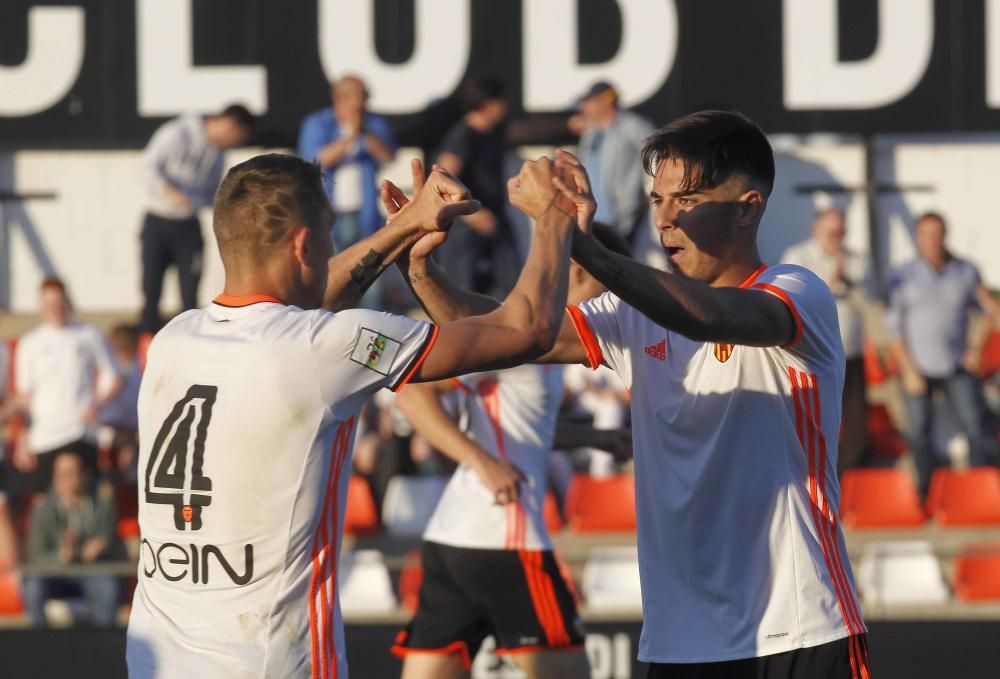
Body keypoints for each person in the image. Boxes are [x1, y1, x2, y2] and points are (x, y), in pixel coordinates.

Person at [399, 111, 870, 679]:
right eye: (657, 201)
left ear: (748, 207)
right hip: (678, 643)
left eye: (688, 200)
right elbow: (501, 334)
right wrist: (420, 268)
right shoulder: (634, 313)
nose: (666, 219)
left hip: (797, 631)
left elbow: (710, 317)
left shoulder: (798, 291)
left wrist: (576, 240)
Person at [125, 151, 579, 678]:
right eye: (329, 235)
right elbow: (526, 331)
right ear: (304, 245)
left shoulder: (173, 339)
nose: (334, 248)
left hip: (154, 662)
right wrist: (554, 215)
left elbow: (301, 308)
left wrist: (406, 226)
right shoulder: (325, 348)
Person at [391, 223, 632, 679]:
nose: (615, 301)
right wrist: (481, 461)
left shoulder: (546, 349)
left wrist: (593, 439)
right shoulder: (520, 339)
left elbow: (524, 427)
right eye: (611, 281)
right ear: (577, 271)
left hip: (453, 538)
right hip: (505, 535)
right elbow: (412, 395)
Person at [885, 212, 1000, 498]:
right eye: (927, 235)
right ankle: (928, 495)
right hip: (917, 368)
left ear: (945, 236)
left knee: (975, 427)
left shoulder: (965, 271)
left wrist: (975, 349)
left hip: (955, 365)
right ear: (917, 239)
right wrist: (909, 370)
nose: (933, 241)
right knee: (919, 434)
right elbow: (893, 329)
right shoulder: (903, 275)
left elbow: (990, 311)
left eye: (938, 234)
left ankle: (980, 493)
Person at [139, 103, 255, 333]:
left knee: (190, 292)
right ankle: (146, 347)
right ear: (229, 126)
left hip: (189, 226)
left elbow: (213, 195)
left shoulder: (218, 154)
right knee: (151, 291)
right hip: (158, 221)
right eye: (235, 138)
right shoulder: (177, 133)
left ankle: (188, 340)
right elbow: (148, 168)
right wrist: (171, 193)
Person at [782, 208, 872, 472]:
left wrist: (847, 278)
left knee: (855, 421)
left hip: (850, 350)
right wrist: (832, 283)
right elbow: (793, 299)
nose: (837, 238)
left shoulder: (857, 259)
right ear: (816, 230)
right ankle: (812, 470)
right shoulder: (797, 257)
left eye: (841, 232)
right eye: (832, 232)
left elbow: (869, 301)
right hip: (810, 352)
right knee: (813, 417)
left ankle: (848, 476)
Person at [13, 279, 122, 492]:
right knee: (50, 502)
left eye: (59, 302)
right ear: (40, 306)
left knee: (86, 495)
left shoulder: (89, 334)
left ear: (68, 302)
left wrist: (96, 406)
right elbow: (24, 396)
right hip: (45, 436)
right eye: (48, 303)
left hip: (81, 432)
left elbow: (114, 377)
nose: (54, 309)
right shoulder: (30, 343)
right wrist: (21, 439)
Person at [297, 74, 397, 252]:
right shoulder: (318, 123)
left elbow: (387, 156)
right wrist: (350, 137)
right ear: (340, 98)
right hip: (328, 210)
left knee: (370, 263)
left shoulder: (373, 123)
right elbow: (316, 160)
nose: (364, 102)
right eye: (361, 96)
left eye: (366, 96)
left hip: (366, 211)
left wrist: (363, 131)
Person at [435, 78, 517, 295]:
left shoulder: (496, 132)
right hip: (467, 227)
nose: (506, 107)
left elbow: (527, 131)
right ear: (488, 104)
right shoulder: (461, 136)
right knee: (463, 294)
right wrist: (472, 214)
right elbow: (440, 181)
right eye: (502, 101)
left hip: (497, 219)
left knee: (512, 289)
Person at [23, 450, 121, 627]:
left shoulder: (104, 505)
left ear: (86, 475)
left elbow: (113, 545)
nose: (64, 478)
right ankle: (39, 643)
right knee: (32, 587)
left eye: (70, 473)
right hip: (54, 572)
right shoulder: (42, 508)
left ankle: (104, 646)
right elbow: (36, 554)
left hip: (91, 570)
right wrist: (60, 556)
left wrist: (98, 550)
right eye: (60, 474)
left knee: (107, 587)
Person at [572, 81, 655, 245]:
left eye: (590, 101)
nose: (584, 107)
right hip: (594, 218)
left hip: (624, 218)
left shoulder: (632, 125)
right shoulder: (591, 132)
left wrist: (651, 188)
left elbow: (656, 152)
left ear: (607, 101)